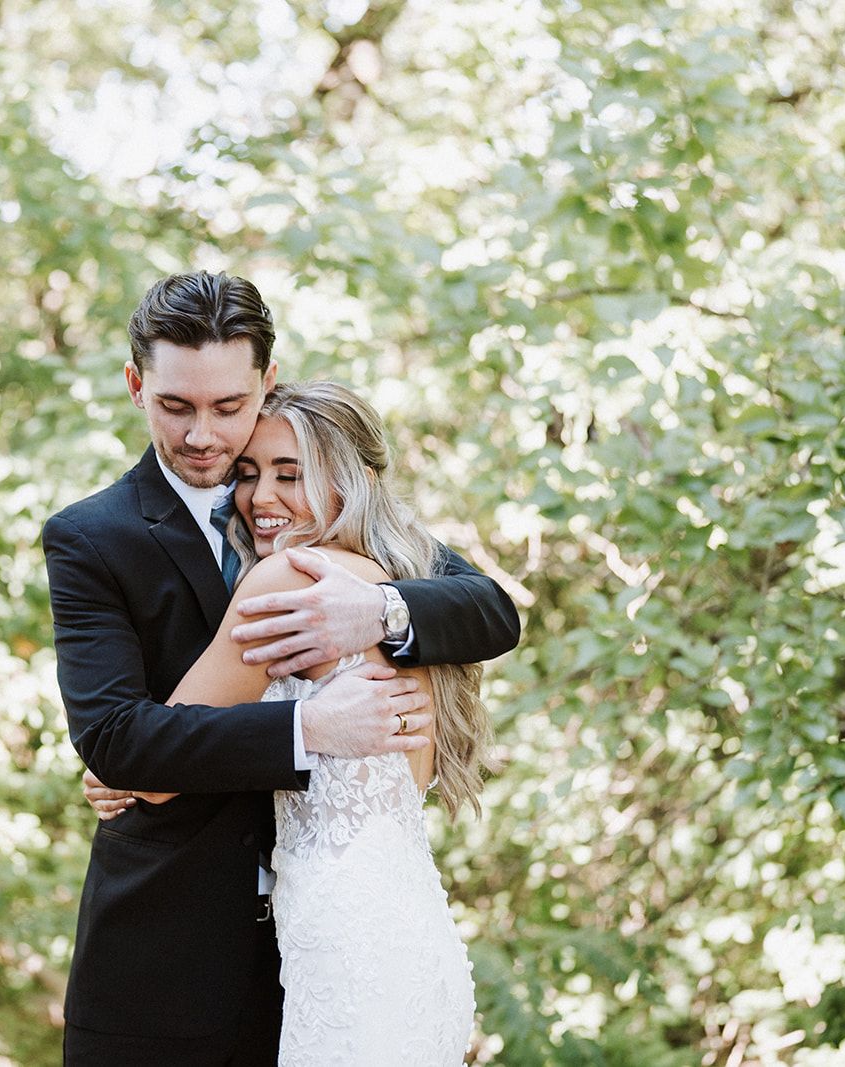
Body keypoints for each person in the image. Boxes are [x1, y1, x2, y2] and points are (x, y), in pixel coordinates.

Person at [43, 271, 519, 1065]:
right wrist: (306, 729)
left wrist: (383, 613)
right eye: (176, 405)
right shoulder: (92, 537)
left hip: (324, 951)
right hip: (167, 968)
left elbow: (491, 610)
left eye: (228, 407)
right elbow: (119, 738)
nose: (204, 436)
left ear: (266, 383)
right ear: (135, 385)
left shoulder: (336, 516)